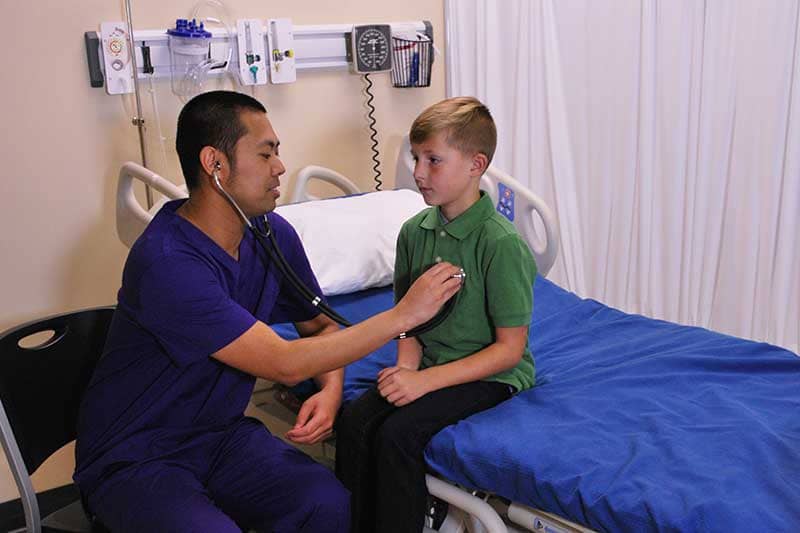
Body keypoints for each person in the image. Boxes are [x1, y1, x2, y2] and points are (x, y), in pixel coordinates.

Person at [73, 90, 463, 533]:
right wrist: (403, 315)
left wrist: (332, 389)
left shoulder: (269, 233)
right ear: (215, 164)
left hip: (220, 439)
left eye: (278, 152)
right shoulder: (167, 264)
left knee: (330, 506)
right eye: (266, 153)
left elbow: (318, 324)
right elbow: (283, 362)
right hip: (135, 458)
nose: (280, 166)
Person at [335, 96, 538, 533]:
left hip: (491, 376)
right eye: (415, 158)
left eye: (433, 160)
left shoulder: (499, 243)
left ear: (475, 164)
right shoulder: (415, 232)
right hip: (428, 365)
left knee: (397, 434)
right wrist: (404, 370)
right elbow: (406, 320)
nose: (419, 172)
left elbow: (509, 351)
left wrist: (423, 381)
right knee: (354, 420)